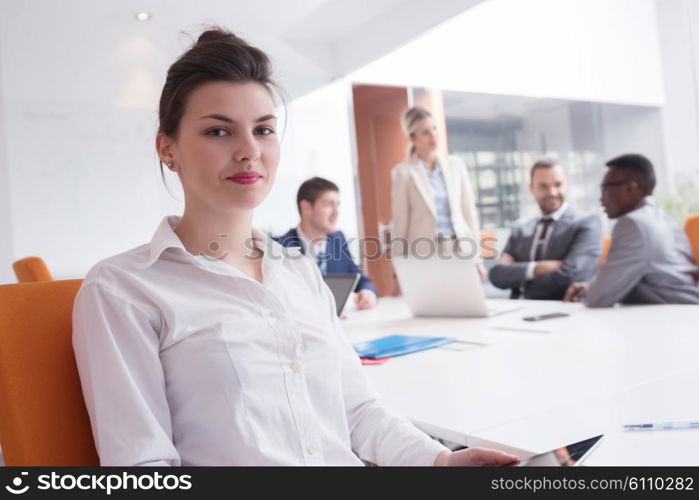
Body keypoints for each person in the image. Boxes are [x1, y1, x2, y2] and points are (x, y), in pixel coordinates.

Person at [71, 28, 519, 467]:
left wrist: (440, 461)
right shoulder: (123, 289)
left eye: (263, 129)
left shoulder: (298, 270)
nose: (250, 151)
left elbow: (357, 411)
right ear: (167, 148)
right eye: (219, 132)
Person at [565, 153, 699, 306]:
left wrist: (590, 290)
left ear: (630, 188)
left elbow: (597, 298)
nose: (601, 198)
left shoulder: (633, 224)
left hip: (676, 316)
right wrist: (591, 288)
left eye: (605, 189)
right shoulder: (662, 218)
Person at [391, 106, 485, 279]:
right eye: (425, 132)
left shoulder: (455, 165)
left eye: (435, 129)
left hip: (458, 247)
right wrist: (399, 268)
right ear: (413, 137)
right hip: (424, 252)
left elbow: (468, 214)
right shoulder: (403, 173)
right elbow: (400, 223)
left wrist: (477, 258)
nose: (433, 136)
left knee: (463, 303)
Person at [489, 159, 601, 300]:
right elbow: (496, 276)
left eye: (558, 184)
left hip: (563, 311)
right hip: (518, 311)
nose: (552, 192)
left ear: (566, 184)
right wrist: (538, 268)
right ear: (531, 188)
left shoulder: (586, 224)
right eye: (543, 186)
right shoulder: (520, 229)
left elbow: (572, 276)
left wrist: (520, 279)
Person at [275, 177, 377, 310]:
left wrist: (367, 293)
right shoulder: (280, 247)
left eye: (338, 204)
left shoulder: (337, 240)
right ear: (306, 207)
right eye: (328, 204)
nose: (336, 212)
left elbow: (359, 279)